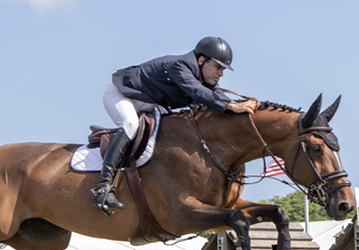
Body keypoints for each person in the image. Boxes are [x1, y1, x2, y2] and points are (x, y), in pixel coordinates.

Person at [90, 37, 259, 213]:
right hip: (122, 95)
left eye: (223, 69)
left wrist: (240, 106)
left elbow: (215, 94)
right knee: (131, 125)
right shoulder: (180, 66)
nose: (221, 73)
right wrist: (230, 105)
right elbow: (198, 92)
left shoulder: (203, 77)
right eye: (218, 67)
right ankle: (102, 187)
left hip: (150, 103)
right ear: (202, 60)